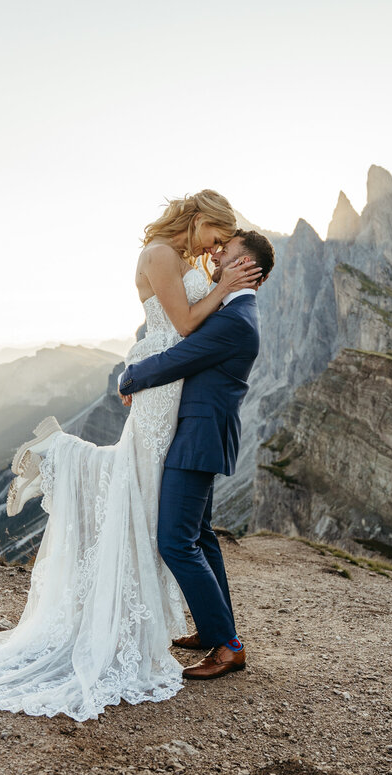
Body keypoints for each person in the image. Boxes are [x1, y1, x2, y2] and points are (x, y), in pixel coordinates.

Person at [0, 190, 261, 721]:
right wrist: (219, 288)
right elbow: (180, 327)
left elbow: (177, 329)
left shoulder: (186, 263)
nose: (218, 246)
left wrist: (143, 358)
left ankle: (218, 633)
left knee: (163, 509)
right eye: (216, 236)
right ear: (199, 220)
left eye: (226, 243)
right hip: (166, 390)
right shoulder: (160, 254)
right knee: (143, 492)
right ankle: (57, 453)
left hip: (176, 392)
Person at [117, 228, 274, 680]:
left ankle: (228, 646)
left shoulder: (236, 320)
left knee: (175, 541)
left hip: (197, 437)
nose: (219, 254)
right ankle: (212, 631)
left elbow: (180, 357)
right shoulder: (233, 310)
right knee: (200, 536)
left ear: (249, 268)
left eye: (231, 253)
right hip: (201, 434)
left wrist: (130, 376)